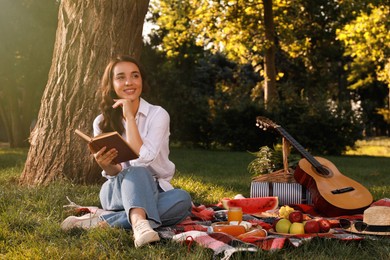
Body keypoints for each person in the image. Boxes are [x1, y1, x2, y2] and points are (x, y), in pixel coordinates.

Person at [63, 55, 192, 248]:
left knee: (182, 199)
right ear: (112, 84)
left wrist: (130, 117)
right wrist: (106, 165)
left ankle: (102, 222)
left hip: (156, 190)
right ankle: (140, 224)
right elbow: (122, 170)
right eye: (121, 77)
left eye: (135, 76)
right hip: (116, 191)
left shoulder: (158, 115)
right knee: (136, 172)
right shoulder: (101, 121)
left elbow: (143, 159)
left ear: (142, 80)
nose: (129, 82)